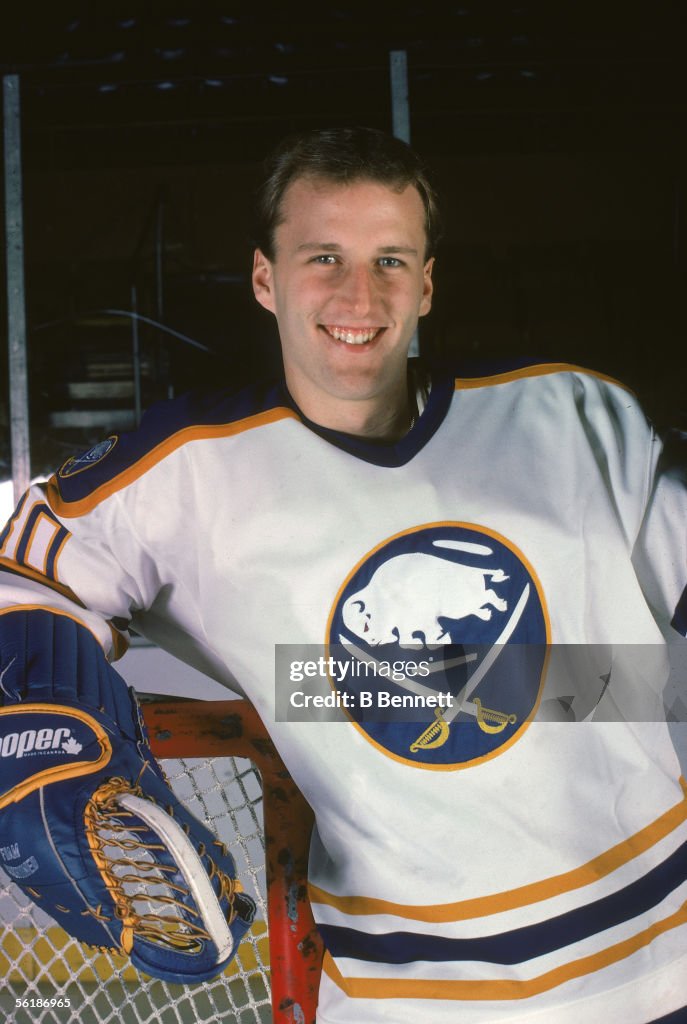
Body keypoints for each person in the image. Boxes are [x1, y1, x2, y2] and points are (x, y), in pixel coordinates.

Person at [1, 126, 686, 1023]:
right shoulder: (187, 475)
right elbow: (27, 567)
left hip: (665, 966)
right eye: (323, 257)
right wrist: (44, 727)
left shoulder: (570, 412)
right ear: (264, 278)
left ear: (427, 284)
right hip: (408, 1002)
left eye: (390, 259)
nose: (358, 295)